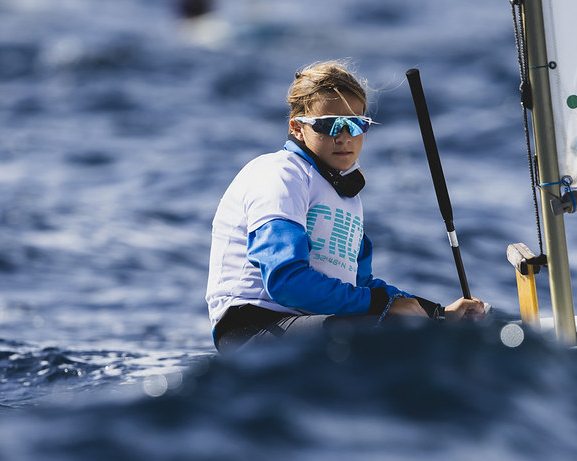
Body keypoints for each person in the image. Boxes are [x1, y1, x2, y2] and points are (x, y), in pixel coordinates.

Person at [206, 60, 485, 351]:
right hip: (253, 327)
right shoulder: (280, 174)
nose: (344, 137)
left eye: (355, 125)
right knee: (387, 331)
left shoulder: (346, 195)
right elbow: (286, 281)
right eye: (329, 125)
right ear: (297, 128)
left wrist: (438, 314)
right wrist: (384, 308)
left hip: (313, 322)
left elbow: (361, 286)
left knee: (419, 331)